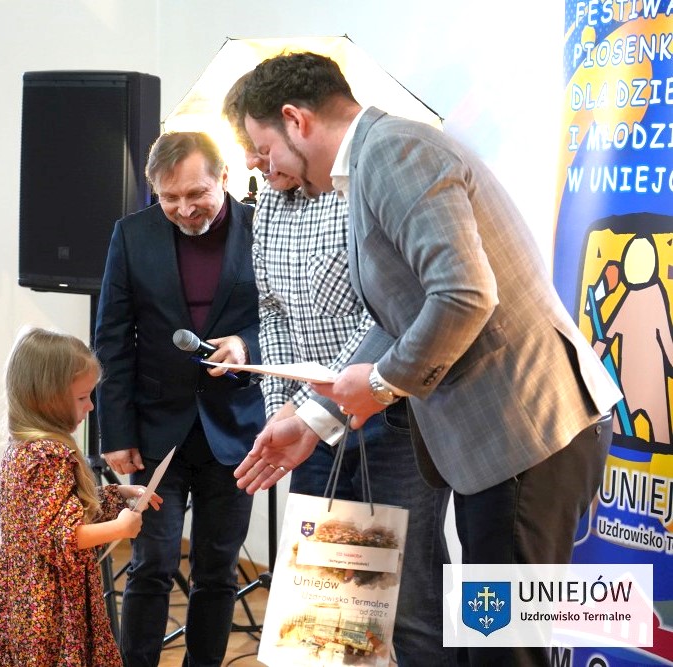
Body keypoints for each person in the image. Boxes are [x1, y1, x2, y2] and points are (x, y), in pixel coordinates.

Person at [232, 52, 622, 666]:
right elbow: (401, 316)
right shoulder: (375, 161)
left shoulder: (393, 153)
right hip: (510, 443)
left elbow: (465, 296)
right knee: (488, 646)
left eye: (263, 148)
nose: (262, 166)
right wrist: (312, 420)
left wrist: (381, 385)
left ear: (295, 120)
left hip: (527, 435)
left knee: (505, 653)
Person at [222, 77, 455, 667]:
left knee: (411, 601)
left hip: (390, 420)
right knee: (325, 609)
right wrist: (283, 405)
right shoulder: (268, 207)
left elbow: (384, 316)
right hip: (314, 430)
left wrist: (315, 407)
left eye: (259, 147)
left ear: (294, 125)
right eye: (245, 147)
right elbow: (271, 312)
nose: (251, 161)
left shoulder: (357, 189)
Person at [94, 131, 265, 667]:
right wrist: (115, 432)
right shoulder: (131, 235)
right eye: (169, 198)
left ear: (224, 178)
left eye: (196, 194)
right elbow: (112, 340)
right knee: (152, 565)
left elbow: (288, 317)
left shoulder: (264, 229)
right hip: (153, 430)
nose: (185, 209)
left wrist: (246, 345)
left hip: (235, 429)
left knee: (217, 571)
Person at [0, 327, 161, 667]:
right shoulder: (48, 455)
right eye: (82, 398)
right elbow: (62, 535)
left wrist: (117, 494)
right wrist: (121, 528)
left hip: (26, 594)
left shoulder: (24, 447)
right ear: (47, 398)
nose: (90, 406)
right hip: (50, 603)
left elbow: (59, 509)